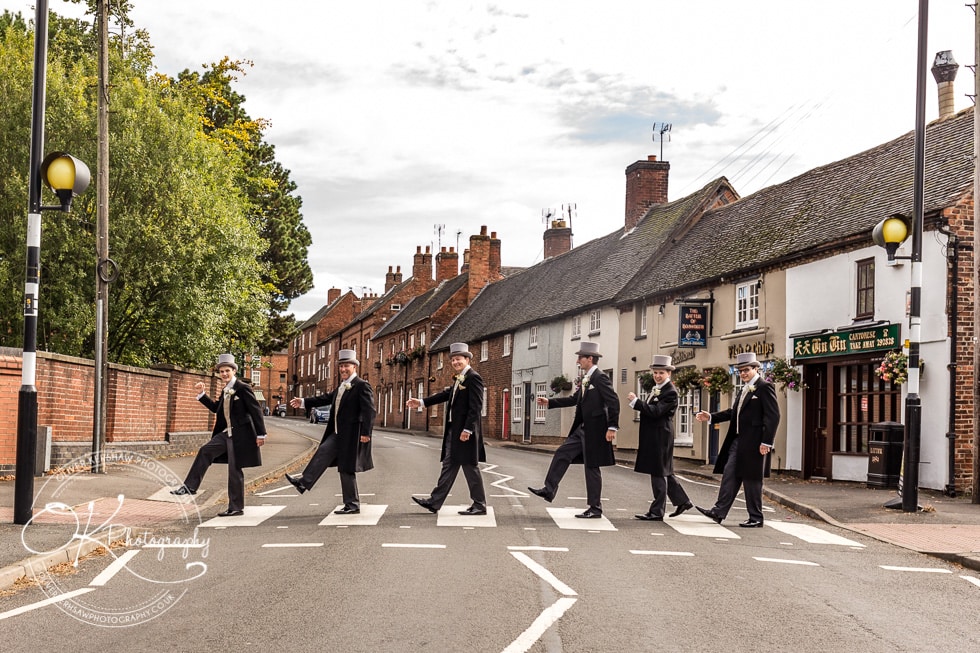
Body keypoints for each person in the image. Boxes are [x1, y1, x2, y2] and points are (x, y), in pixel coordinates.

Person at [528, 341, 619, 518]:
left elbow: (613, 401)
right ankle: (549, 489)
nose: (578, 361)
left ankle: (595, 508)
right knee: (562, 452)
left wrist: (612, 426)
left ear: (589, 359)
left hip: (596, 431)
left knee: (592, 468)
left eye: (580, 358)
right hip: (582, 430)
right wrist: (550, 402)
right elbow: (574, 399)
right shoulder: (586, 380)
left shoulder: (600, 378)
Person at [171, 353, 267, 517]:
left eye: (227, 371)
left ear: (234, 371)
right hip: (225, 434)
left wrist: (261, 434)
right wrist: (202, 395)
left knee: (234, 471)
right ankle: (190, 487)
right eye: (221, 371)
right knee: (205, 450)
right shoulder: (226, 389)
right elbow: (217, 408)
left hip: (241, 436)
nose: (224, 374)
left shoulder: (243, 388)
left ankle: (235, 507)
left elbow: (256, 410)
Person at [694, 352, 780, 527]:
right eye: (740, 371)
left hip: (756, 443)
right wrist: (711, 416)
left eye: (746, 370)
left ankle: (756, 518)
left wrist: (766, 442)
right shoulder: (744, 389)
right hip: (738, 442)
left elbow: (773, 416)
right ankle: (718, 512)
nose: (743, 374)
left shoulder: (764, 387)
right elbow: (734, 413)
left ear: (757, 369)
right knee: (730, 474)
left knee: (752, 480)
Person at [285, 349, 375, 514]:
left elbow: (369, 411)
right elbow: (324, 398)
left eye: (346, 366)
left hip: (352, 434)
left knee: (346, 469)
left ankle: (352, 505)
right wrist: (303, 401)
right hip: (337, 433)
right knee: (323, 452)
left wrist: (366, 433)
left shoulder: (362, 385)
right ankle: (304, 482)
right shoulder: (342, 386)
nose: (343, 369)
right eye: (341, 366)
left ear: (355, 367)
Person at [406, 342, 488, 516]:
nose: (455, 362)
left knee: (470, 466)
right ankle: (435, 502)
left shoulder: (473, 377)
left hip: (465, 433)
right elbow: (445, 395)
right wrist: (420, 402)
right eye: (453, 359)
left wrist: (468, 430)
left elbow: (476, 407)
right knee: (449, 465)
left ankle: (480, 505)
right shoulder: (459, 378)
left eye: (459, 359)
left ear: (467, 359)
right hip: (455, 431)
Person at [627, 355, 693, 521]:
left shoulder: (670, 392)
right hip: (655, 434)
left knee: (658, 472)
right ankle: (683, 501)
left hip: (661, 435)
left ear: (669, 374)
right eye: (655, 372)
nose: (657, 376)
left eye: (661, 373)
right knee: (664, 470)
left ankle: (657, 511)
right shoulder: (658, 389)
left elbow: (655, 412)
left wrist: (637, 403)